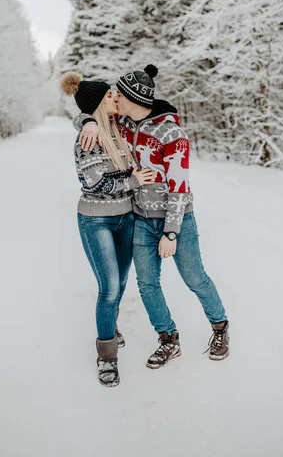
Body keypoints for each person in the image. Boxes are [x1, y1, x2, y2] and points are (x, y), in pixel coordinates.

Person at [76, 64, 229, 369]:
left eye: (119, 94)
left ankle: (220, 327)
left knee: (195, 279)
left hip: (177, 219)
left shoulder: (172, 134)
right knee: (147, 283)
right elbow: (90, 109)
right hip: (141, 218)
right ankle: (168, 339)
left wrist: (171, 232)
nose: (114, 98)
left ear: (135, 99)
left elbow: (180, 186)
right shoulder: (124, 124)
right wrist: (88, 120)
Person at [61, 72, 156, 386]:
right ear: (100, 103)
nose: (117, 97)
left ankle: (110, 326)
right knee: (110, 287)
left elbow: (147, 109)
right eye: (110, 96)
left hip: (126, 217)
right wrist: (134, 181)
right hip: (96, 219)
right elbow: (96, 183)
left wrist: (87, 117)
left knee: (122, 280)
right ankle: (107, 357)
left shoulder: (120, 130)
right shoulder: (88, 137)